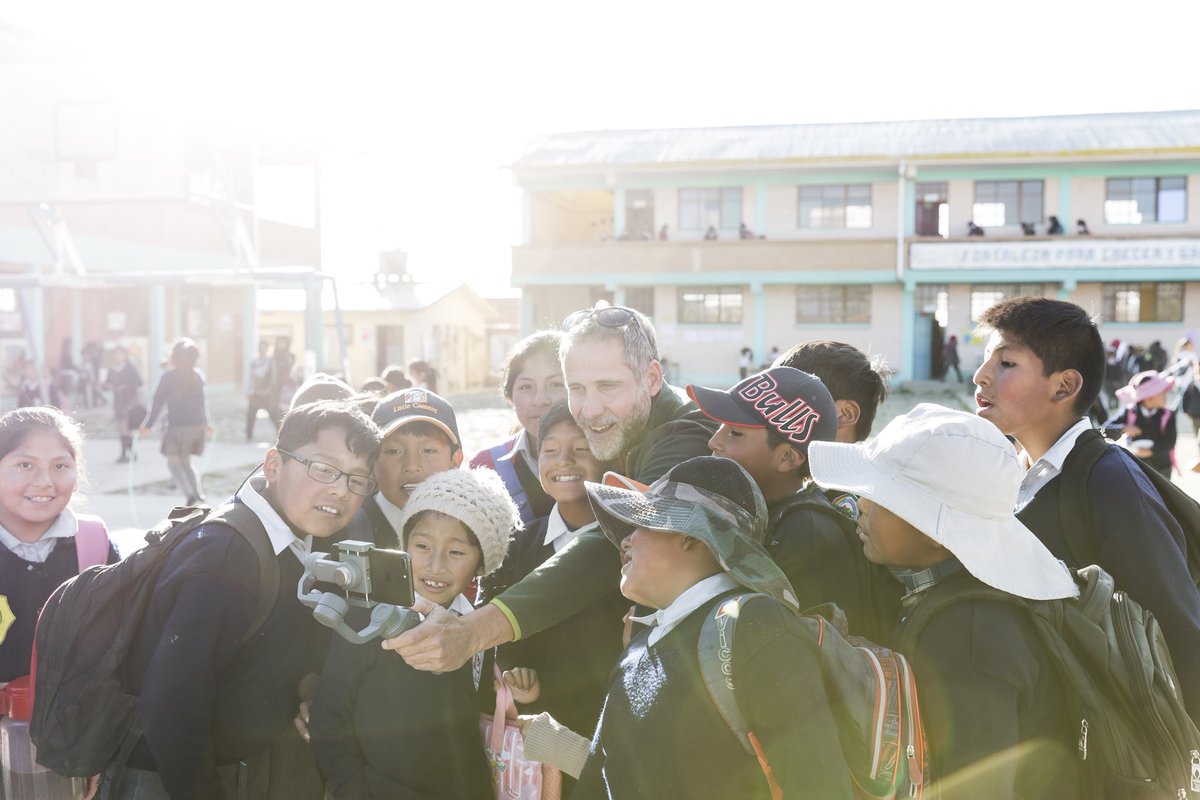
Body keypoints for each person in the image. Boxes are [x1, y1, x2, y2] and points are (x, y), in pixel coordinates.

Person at [383, 303, 717, 673]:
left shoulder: (687, 437)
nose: (589, 410)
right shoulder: (637, 425)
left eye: (607, 386)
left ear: (652, 378)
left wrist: (474, 632)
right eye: (577, 389)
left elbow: (610, 542)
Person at [104, 400, 381, 800]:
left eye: (358, 480)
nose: (340, 489)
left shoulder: (302, 541)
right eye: (323, 468)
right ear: (273, 465)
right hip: (176, 780)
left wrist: (309, 687)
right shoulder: (225, 557)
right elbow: (172, 706)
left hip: (242, 769)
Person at [809, 404, 1082, 800]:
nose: (861, 506)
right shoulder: (958, 593)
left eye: (880, 498)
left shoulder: (968, 640)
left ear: (937, 532)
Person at [568, 456, 850, 798]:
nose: (626, 541)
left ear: (691, 536)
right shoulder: (640, 646)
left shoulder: (754, 625)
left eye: (642, 524)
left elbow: (818, 785)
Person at [973, 296, 1200, 721]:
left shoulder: (1111, 485)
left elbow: (1183, 637)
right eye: (986, 360)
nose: (980, 377)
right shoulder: (1007, 471)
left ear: (1064, 386)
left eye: (1006, 364)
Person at [310, 468, 519, 800]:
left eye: (456, 552)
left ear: (481, 563)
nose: (435, 565)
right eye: (422, 545)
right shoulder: (367, 621)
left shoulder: (480, 626)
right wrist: (355, 790)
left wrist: (517, 692)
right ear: (403, 544)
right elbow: (329, 716)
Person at [689, 366, 896, 637]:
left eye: (735, 433)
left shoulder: (806, 534)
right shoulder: (768, 510)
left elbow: (785, 647)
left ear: (787, 458)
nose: (714, 441)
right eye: (721, 427)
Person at [483, 401, 625, 764]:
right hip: (536, 741)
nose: (564, 461)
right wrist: (515, 675)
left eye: (581, 449)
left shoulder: (631, 547)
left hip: (606, 736)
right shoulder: (516, 545)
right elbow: (492, 635)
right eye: (550, 450)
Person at [0, 407, 118, 684]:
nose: (44, 482)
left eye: (60, 466)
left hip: (75, 722)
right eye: (24, 465)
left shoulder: (94, 544)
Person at [342, 387, 464, 549]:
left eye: (428, 450)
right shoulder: (345, 531)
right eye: (394, 451)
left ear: (455, 460)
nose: (412, 466)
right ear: (372, 461)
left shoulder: (474, 529)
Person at [469, 331, 566, 524]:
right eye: (526, 387)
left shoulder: (610, 460)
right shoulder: (487, 466)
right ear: (509, 396)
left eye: (556, 384)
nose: (541, 400)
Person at [140, 338, 211, 506]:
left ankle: (191, 496)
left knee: (173, 463)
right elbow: (203, 402)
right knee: (186, 461)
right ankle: (198, 494)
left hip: (176, 427)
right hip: (195, 426)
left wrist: (148, 425)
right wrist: (206, 423)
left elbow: (157, 403)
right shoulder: (198, 376)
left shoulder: (168, 377)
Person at [1105, 370, 1177, 478]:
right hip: (1134, 466)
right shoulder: (1130, 412)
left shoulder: (1167, 415)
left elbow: (1170, 442)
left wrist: (1150, 451)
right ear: (1150, 397)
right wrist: (1124, 428)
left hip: (1162, 467)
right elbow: (1105, 429)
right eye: (1162, 391)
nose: (1166, 393)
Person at [104, 346, 144, 464]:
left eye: (120, 354)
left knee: (124, 429)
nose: (118, 357)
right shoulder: (112, 369)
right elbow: (107, 383)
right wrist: (108, 386)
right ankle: (131, 453)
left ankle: (126, 454)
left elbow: (139, 382)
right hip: (118, 403)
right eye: (116, 354)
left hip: (130, 402)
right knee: (122, 429)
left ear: (125, 356)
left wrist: (125, 386)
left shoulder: (130, 368)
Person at [246, 340, 275, 441]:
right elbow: (251, 378)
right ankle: (248, 438)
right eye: (259, 347)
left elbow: (273, 377)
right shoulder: (254, 362)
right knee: (250, 416)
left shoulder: (270, 362)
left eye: (263, 347)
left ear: (266, 349)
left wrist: (268, 390)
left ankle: (281, 436)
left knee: (273, 415)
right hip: (255, 393)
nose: (261, 349)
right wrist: (250, 391)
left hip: (267, 393)